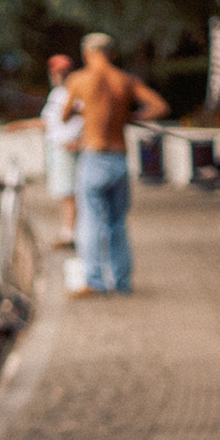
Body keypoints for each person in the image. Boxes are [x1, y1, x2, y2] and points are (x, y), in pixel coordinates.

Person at [63, 33, 169, 295]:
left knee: (90, 221)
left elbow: (64, 116)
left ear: (87, 53)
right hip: (119, 158)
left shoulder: (79, 79)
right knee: (117, 223)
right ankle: (122, 282)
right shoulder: (124, 80)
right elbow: (159, 106)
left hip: (94, 155)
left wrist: (82, 110)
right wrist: (131, 116)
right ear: (110, 53)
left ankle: (95, 281)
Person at [7, 54, 79, 246]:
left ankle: (69, 234)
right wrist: (20, 126)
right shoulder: (56, 94)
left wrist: (78, 140)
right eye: (56, 71)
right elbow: (48, 122)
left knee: (68, 192)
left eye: (62, 71)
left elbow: (88, 117)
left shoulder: (75, 91)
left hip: (67, 148)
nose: (58, 75)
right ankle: (69, 232)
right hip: (56, 147)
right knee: (63, 191)